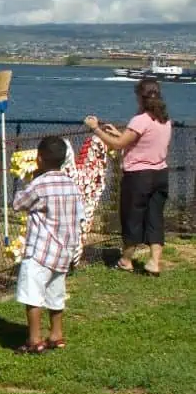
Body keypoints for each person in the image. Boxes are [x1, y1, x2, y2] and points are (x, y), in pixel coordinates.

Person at [84, 78, 173, 276]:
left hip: (139, 176)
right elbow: (142, 141)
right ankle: (154, 262)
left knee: (133, 217)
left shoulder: (140, 120)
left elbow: (118, 145)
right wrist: (120, 133)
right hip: (160, 173)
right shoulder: (164, 119)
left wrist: (96, 128)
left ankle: (126, 260)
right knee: (154, 218)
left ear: (140, 97)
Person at [10, 136, 84, 354]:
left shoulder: (40, 184)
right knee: (56, 293)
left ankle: (34, 339)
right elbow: (79, 214)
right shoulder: (71, 184)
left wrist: (31, 181)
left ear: (39, 159)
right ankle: (56, 334)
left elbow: (18, 204)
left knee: (33, 295)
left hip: (40, 251)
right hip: (63, 250)